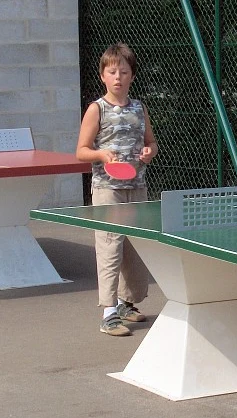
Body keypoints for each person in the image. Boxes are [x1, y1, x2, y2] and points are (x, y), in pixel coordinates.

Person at [76, 43, 158, 337]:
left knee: (134, 246)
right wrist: (101, 155)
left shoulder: (139, 107)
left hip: (137, 186)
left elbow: (152, 141)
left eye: (124, 71)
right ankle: (108, 311)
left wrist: (149, 151)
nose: (118, 77)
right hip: (107, 188)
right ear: (103, 76)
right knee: (110, 246)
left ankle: (126, 303)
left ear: (132, 76)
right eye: (112, 72)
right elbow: (81, 151)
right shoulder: (96, 109)